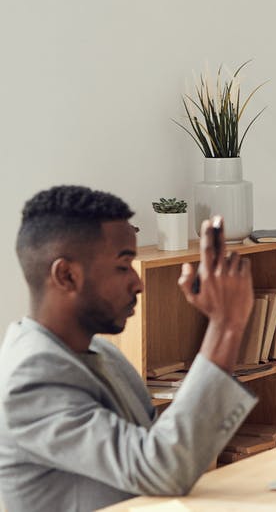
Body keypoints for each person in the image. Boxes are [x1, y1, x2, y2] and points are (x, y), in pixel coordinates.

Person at [0, 186, 258, 511]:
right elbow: (162, 468)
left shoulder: (104, 354)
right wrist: (226, 325)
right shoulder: (31, 377)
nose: (138, 283)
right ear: (66, 275)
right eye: (123, 267)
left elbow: (162, 455)